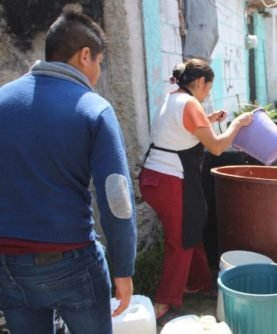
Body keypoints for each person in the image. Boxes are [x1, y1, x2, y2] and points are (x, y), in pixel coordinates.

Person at [0, 7, 137, 334]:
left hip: (7, 265)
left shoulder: (2, 100)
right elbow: (116, 196)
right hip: (70, 260)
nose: (99, 72)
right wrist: (123, 268)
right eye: (100, 63)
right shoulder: (94, 109)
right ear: (85, 55)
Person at [138, 59, 253, 326]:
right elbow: (216, 147)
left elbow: (179, 130)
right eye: (208, 88)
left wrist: (209, 120)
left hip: (155, 178)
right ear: (200, 82)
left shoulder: (173, 98)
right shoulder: (190, 104)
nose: (208, 94)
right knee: (180, 241)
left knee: (192, 227)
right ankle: (164, 303)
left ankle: (198, 283)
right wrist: (238, 125)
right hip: (170, 180)